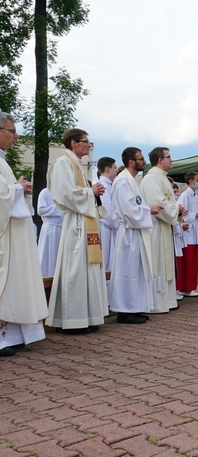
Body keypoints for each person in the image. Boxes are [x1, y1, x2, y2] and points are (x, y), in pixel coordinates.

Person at [46, 128, 108, 334]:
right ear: (73, 143)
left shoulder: (77, 164)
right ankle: (72, 321)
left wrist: (92, 193)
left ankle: (87, 317)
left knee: (85, 271)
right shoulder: (63, 163)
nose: (89, 145)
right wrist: (91, 191)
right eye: (85, 141)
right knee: (75, 271)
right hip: (75, 225)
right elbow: (63, 194)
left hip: (85, 220)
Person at [0, 112, 48, 357]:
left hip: (12, 234)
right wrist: (17, 188)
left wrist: (19, 189)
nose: (16, 136)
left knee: (14, 283)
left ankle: (13, 335)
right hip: (4, 237)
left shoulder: (3, 161)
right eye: (11, 131)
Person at [109, 147, 161, 324]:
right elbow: (129, 210)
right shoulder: (123, 182)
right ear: (131, 162)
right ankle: (124, 310)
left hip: (136, 232)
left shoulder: (131, 181)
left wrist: (147, 210)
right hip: (128, 234)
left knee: (137, 272)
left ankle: (135, 307)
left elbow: (136, 205)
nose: (144, 161)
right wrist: (149, 210)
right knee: (128, 272)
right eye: (140, 159)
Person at [141, 147, 184, 311]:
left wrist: (175, 208)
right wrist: (176, 209)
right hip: (156, 228)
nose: (171, 160)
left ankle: (167, 300)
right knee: (158, 265)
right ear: (160, 159)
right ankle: (157, 303)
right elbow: (157, 202)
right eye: (169, 157)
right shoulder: (152, 178)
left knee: (165, 265)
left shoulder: (162, 177)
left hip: (164, 227)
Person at [177, 172, 198, 297]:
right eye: (197, 180)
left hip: (196, 234)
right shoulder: (185, 196)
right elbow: (182, 214)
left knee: (193, 263)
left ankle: (190, 287)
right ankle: (184, 287)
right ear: (191, 181)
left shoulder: (195, 196)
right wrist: (197, 215)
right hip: (188, 235)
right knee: (187, 262)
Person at [96, 156, 119, 277]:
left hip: (111, 228)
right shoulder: (102, 186)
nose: (116, 170)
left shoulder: (110, 186)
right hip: (106, 229)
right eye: (115, 168)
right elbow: (107, 212)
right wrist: (119, 224)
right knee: (106, 260)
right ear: (107, 169)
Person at [37, 187, 64, 278]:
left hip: (62, 229)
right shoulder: (45, 192)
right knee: (47, 257)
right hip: (50, 229)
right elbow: (40, 210)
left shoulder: (64, 191)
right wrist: (59, 208)